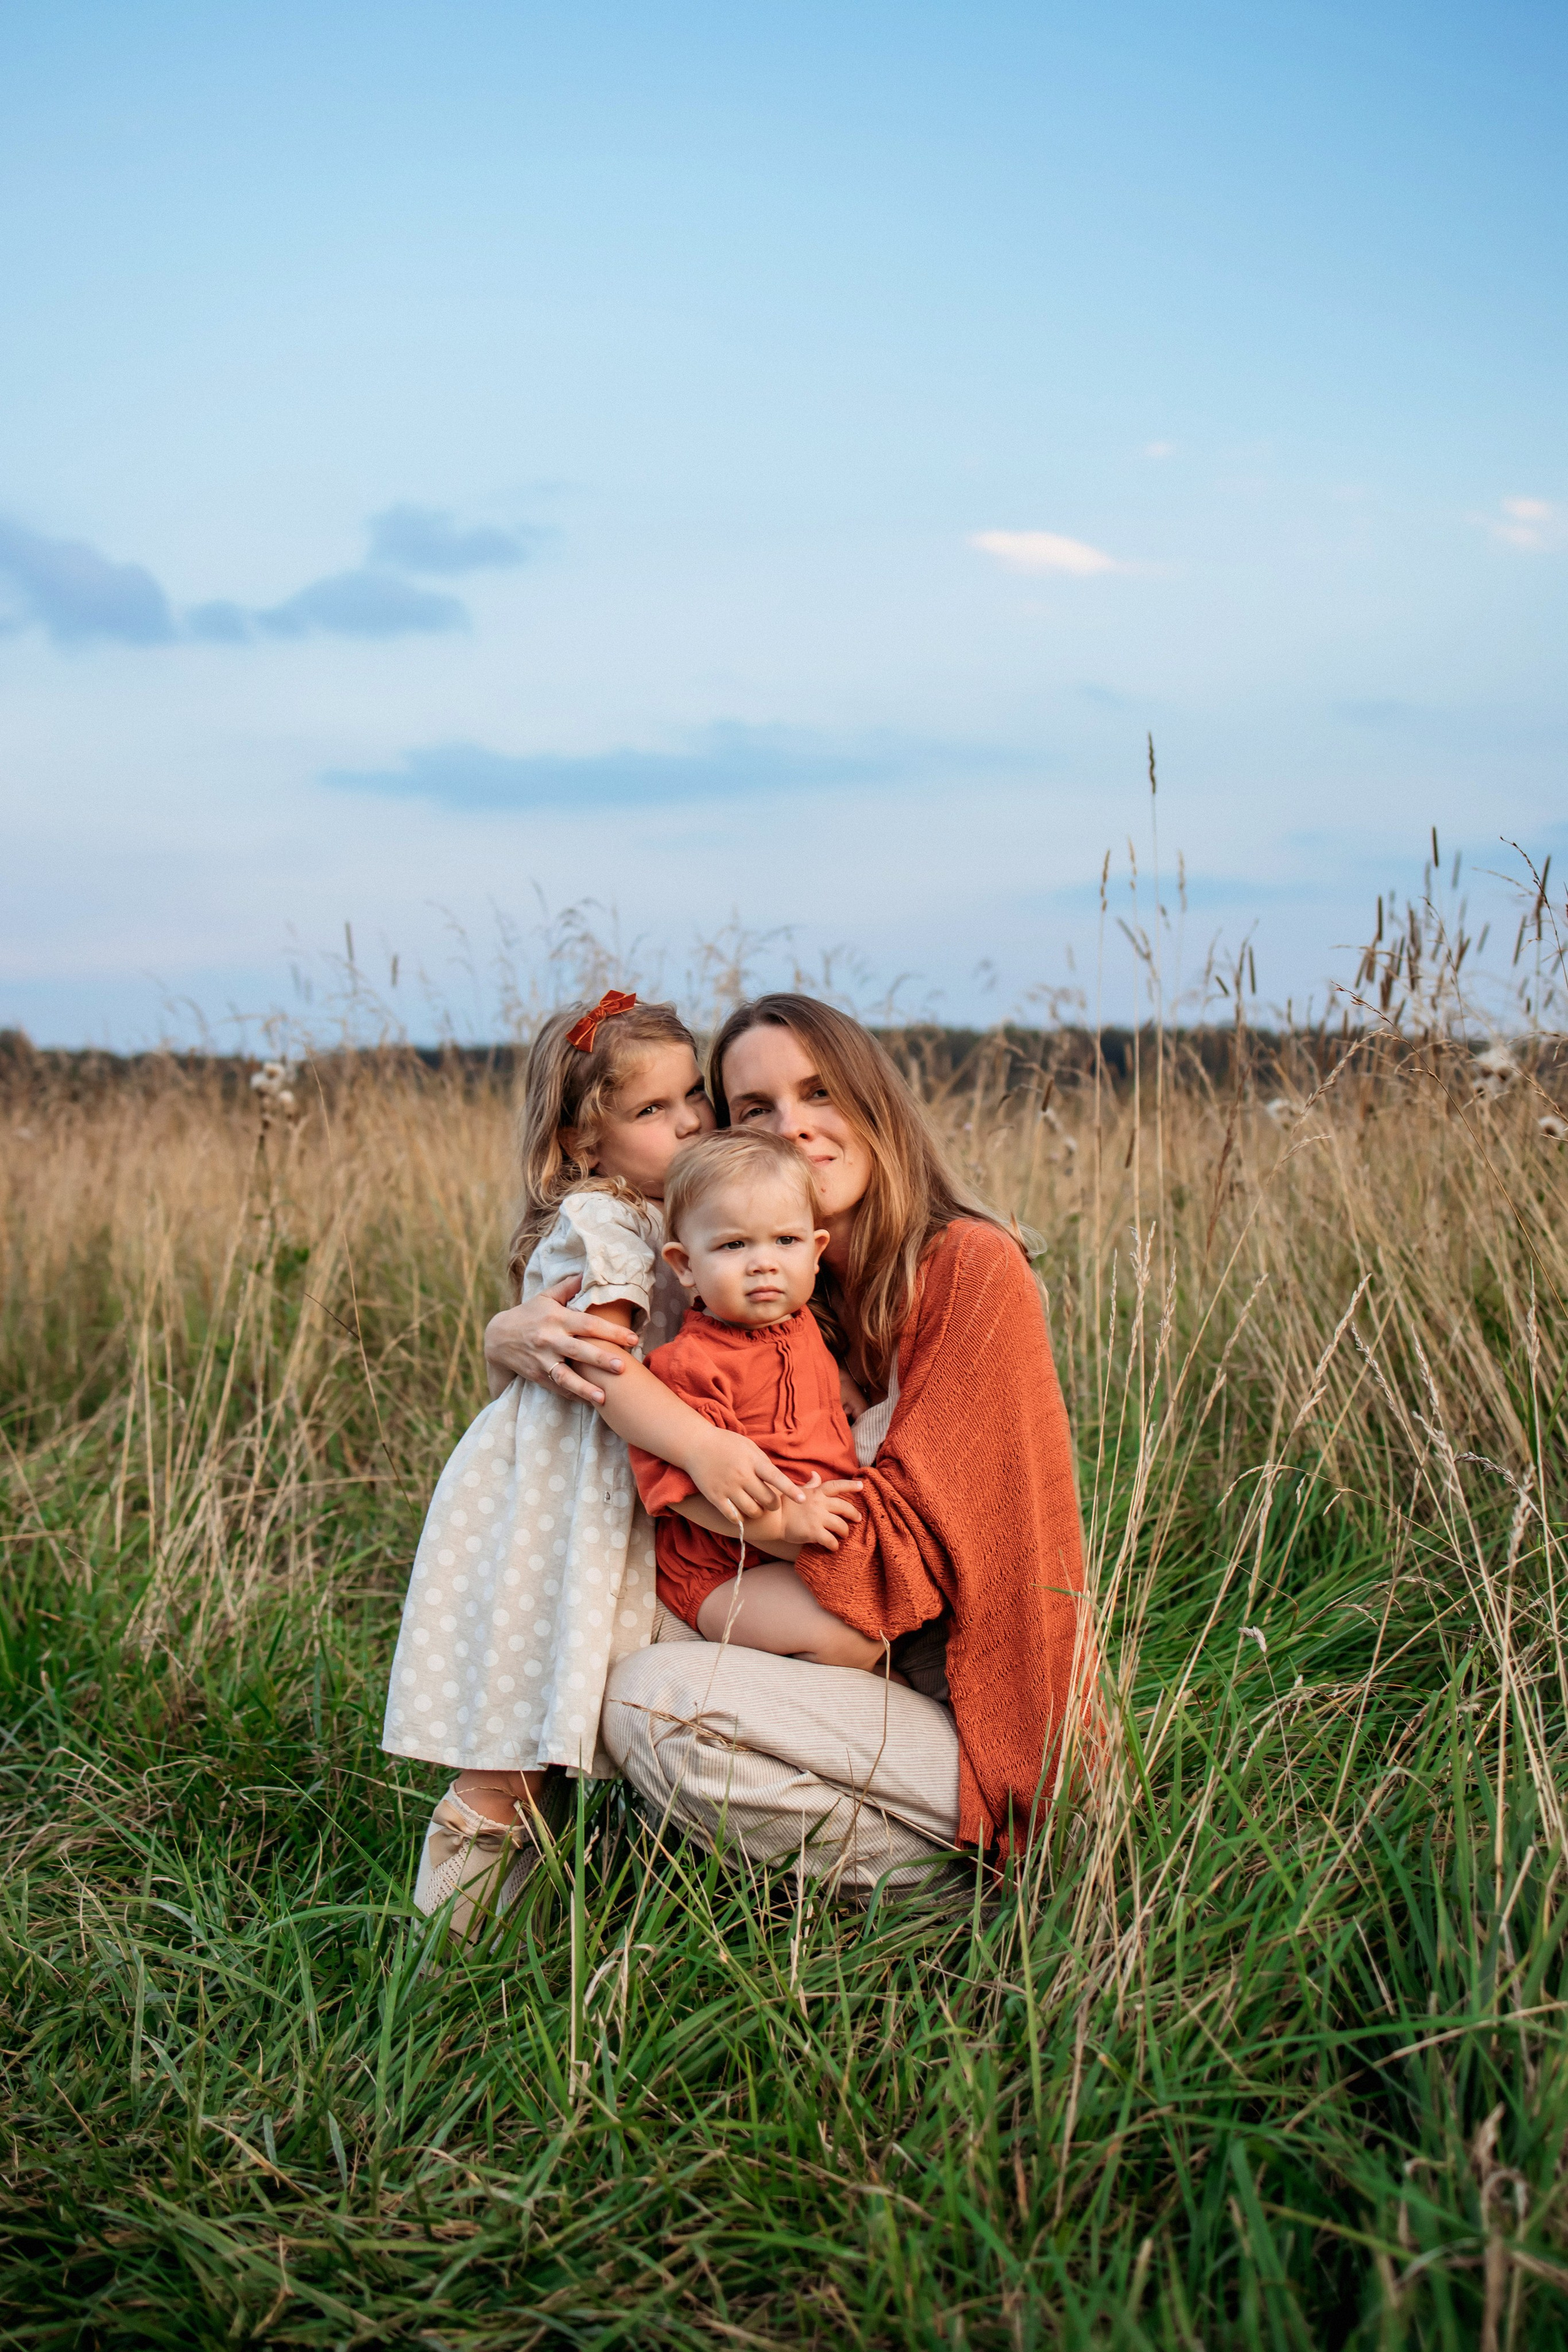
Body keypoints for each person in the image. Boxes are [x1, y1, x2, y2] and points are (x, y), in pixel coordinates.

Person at [487, 995, 1092, 1894]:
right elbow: (581, 1461)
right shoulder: (751, 1293)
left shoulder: (973, 1267)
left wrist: (696, 1479)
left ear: (873, 1102)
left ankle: (983, 1895)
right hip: (837, 1665)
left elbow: (904, 1560)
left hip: (975, 1708)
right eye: (755, 1111)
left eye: (820, 1092)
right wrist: (508, 1338)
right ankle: (514, 1838)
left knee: (651, 1702)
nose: (795, 1129)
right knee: (607, 1633)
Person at [383, 991, 807, 1939]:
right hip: (568, 1499)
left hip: (592, 1491)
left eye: (694, 1097)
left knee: (548, 1724)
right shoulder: (610, 1223)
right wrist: (702, 1442)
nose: (693, 1122)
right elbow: (603, 1370)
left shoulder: (666, 1208)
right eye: (653, 1112)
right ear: (584, 1140)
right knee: (515, 1740)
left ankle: (514, 1931)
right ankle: (443, 1954)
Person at [628, 1126, 889, 1671]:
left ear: (816, 1252)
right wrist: (782, 1525)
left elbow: (795, 1369)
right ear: (684, 1265)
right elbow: (680, 1492)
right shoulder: (688, 1365)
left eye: (785, 1242)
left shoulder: (802, 1323)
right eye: (733, 1245)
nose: (763, 1263)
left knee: (885, 1615)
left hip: (802, 1545)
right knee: (854, 1639)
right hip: (727, 1567)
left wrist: (840, 1381)